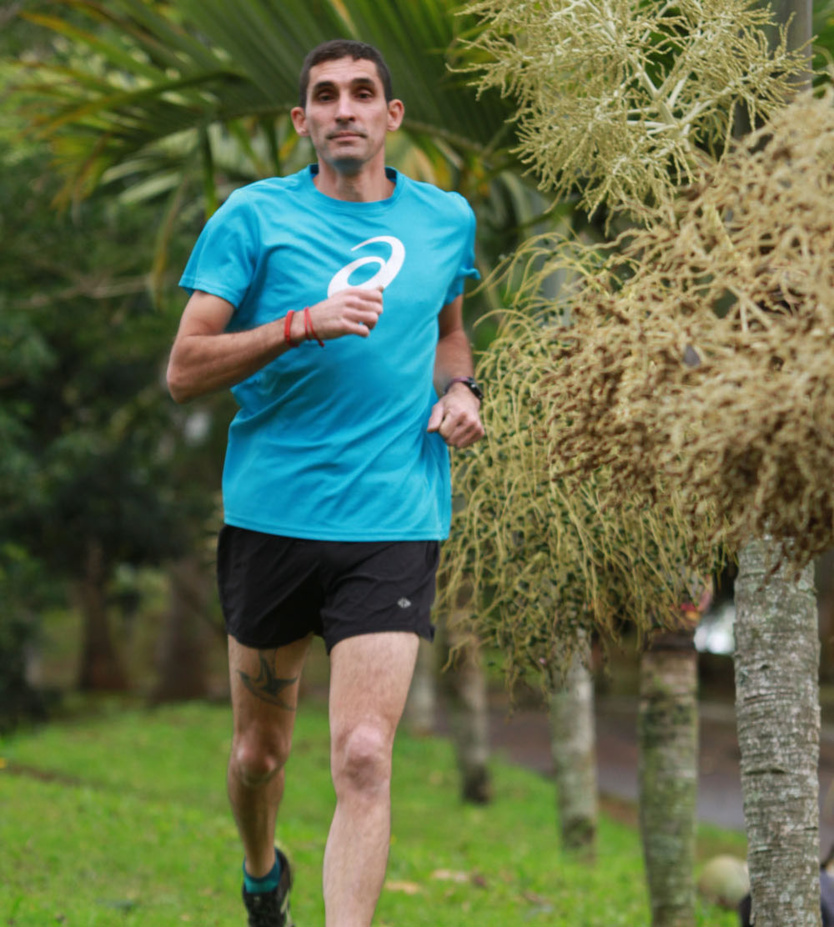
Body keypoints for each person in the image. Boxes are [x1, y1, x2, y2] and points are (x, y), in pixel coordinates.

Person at [166, 38, 485, 927]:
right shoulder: (253, 218)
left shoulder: (445, 221)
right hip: (275, 513)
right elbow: (185, 368)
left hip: (394, 515)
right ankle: (264, 870)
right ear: (302, 121)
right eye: (325, 95)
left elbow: (448, 332)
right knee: (260, 755)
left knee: (363, 753)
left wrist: (460, 389)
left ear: (393, 116)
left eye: (362, 92)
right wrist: (300, 323)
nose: (345, 107)